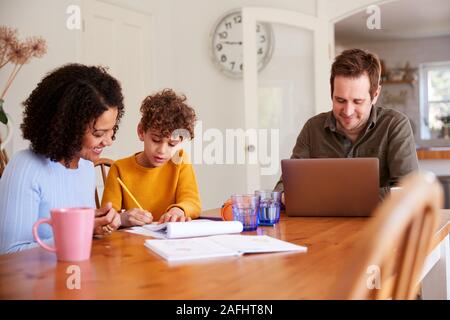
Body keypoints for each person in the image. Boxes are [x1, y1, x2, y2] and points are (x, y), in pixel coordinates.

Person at [0, 64, 124, 254]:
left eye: (111, 130)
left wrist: (95, 224)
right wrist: (80, 231)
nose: (108, 141)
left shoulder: (85, 168)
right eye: (99, 133)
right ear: (68, 126)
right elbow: (9, 254)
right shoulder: (25, 169)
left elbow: (76, 240)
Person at [274, 49, 419, 201]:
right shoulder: (313, 128)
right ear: (332, 94)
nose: (348, 111)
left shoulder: (395, 125)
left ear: (375, 95)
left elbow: (410, 191)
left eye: (358, 101)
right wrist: (284, 196)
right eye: (340, 100)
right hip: (324, 223)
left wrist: (333, 197)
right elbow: (284, 187)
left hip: (381, 223)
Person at [101, 89, 201, 226]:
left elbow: (193, 202)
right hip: (132, 243)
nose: (162, 150)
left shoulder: (180, 161)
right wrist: (123, 218)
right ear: (141, 132)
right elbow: (107, 217)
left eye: (172, 144)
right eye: (156, 140)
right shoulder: (119, 169)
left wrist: (179, 210)